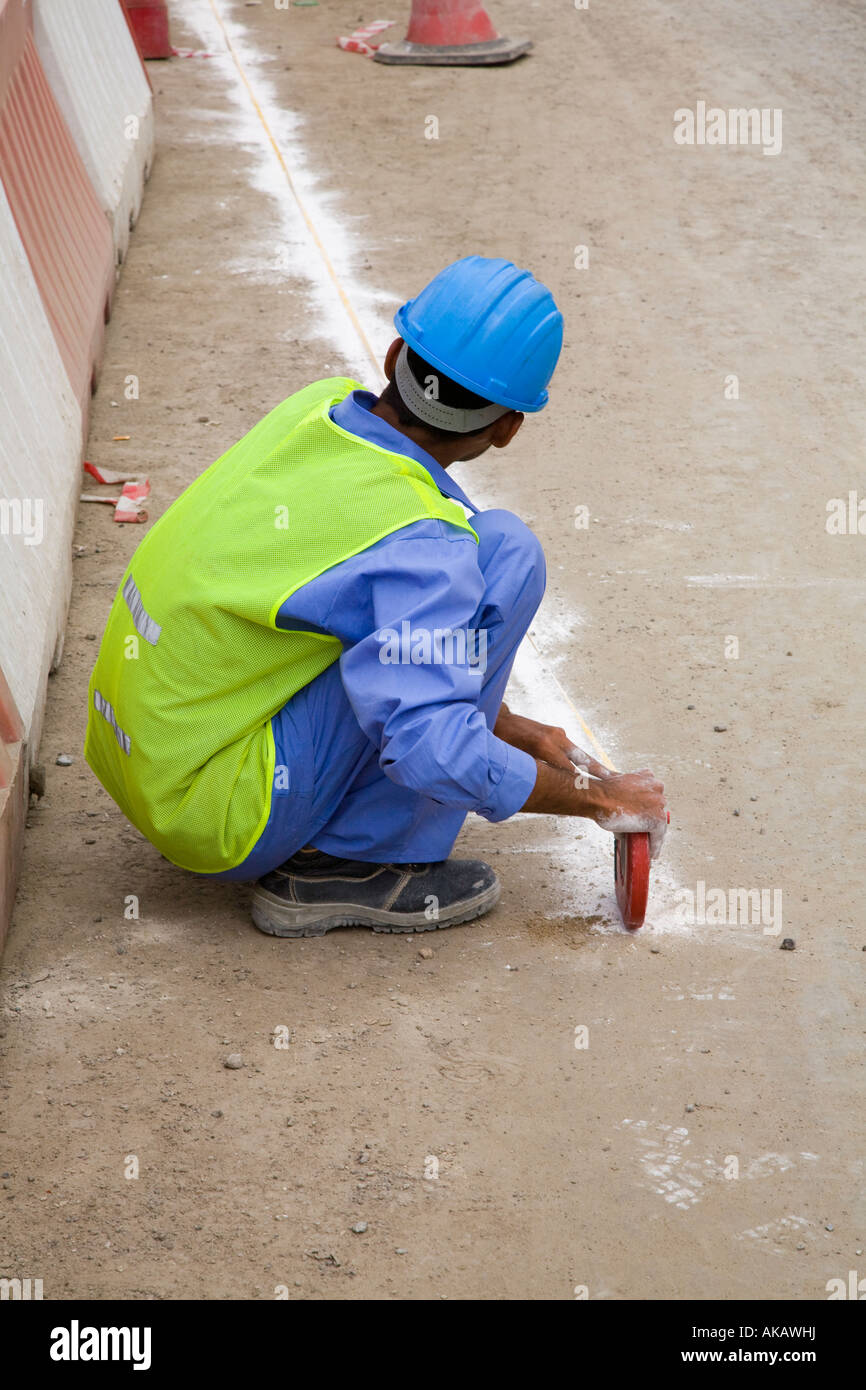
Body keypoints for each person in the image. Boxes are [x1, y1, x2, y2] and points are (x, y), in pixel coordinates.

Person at [85, 256, 666, 937]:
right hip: (211, 814)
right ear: (509, 426)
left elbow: (350, 605)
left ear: (395, 355)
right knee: (507, 561)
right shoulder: (423, 544)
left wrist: (513, 727)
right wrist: (597, 797)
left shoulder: (317, 408)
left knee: (493, 550)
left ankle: (335, 833)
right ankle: (356, 869)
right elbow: (431, 748)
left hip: (140, 753)